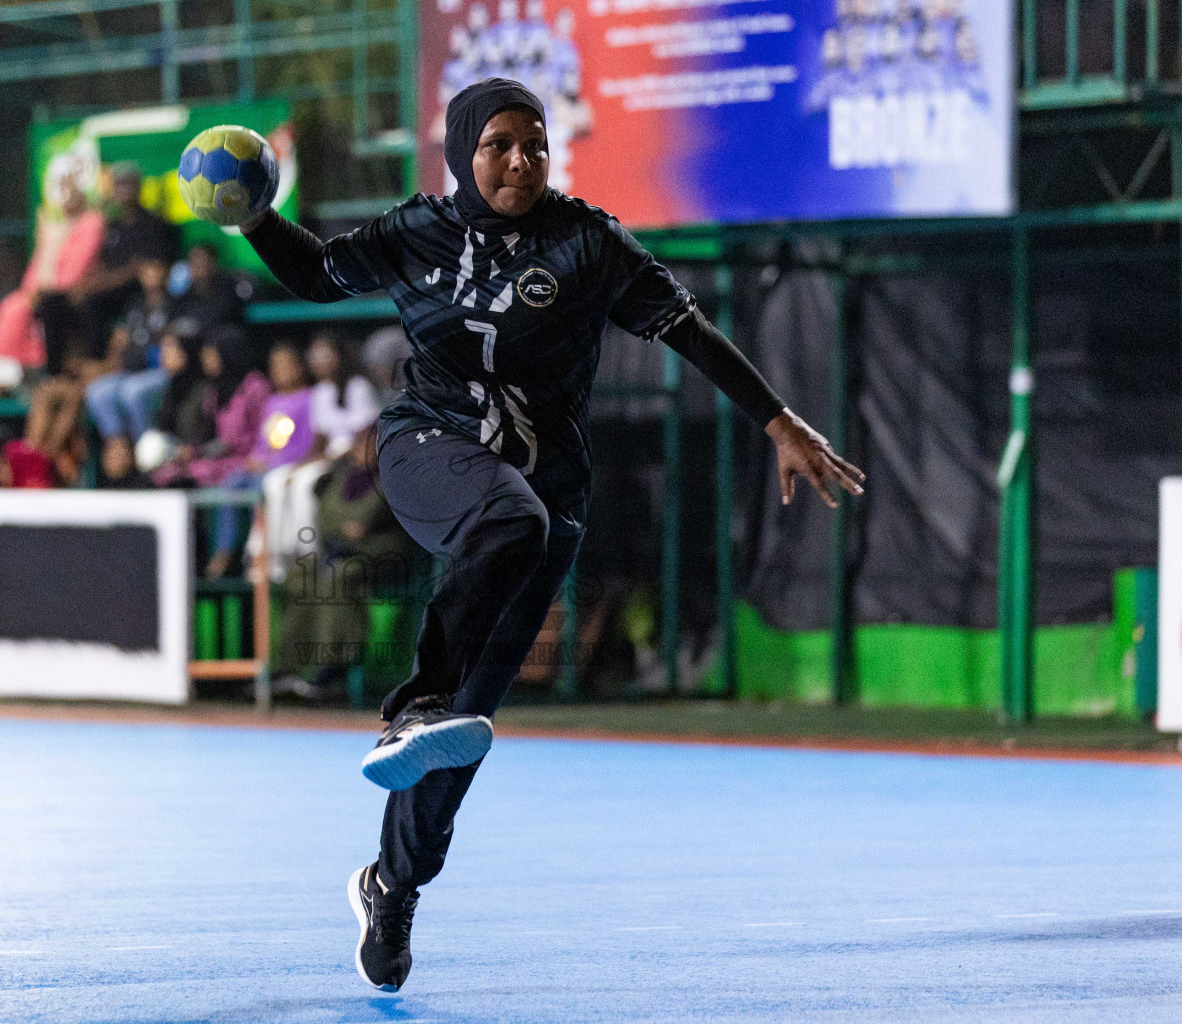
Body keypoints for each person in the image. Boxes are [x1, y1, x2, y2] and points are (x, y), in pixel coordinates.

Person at [239, 78, 864, 991]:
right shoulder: (415, 232)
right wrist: (255, 217)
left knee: (466, 731)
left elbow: (686, 328)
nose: (521, 161)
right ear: (462, 152)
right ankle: (413, 701)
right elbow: (315, 273)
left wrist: (779, 421)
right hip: (428, 447)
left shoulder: (588, 242)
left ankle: (393, 884)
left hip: (549, 493)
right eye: (498, 145)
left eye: (534, 143)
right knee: (503, 526)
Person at [271, 423, 410, 699]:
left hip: (379, 557)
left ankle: (332, 667)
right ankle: (289, 668)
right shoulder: (340, 476)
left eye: (369, 444)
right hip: (336, 548)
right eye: (360, 443)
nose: (362, 450)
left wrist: (354, 530)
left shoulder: (395, 477)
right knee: (301, 576)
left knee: (339, 576)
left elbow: (368, 520)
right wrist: (346, 528)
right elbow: (329, 518)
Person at [34, 164, 178, 372]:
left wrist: (95, 287)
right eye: (118, 184)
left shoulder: (153, 225)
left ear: (139, 186)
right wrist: (84, 286)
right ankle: (55, 371)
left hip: (133, 293)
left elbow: (140, 270)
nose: (123, 189)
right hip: (103, 287)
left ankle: (95, 363)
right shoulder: (112, 226)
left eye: (128, 183)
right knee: (52, 302)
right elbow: (100, 265)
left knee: (92, 301)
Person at [258, 332, 381, 575]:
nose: (318, 361)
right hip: (329, 458)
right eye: (314, 355)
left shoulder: (358, 387)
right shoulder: (321, 392)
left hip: (352, 460)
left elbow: (367, 436)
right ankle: (280, 554)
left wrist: (332, 457)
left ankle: (308, 551)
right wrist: (301, 464)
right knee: (277, 481)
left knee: (306, 485)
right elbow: (319, 442)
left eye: (324, 354)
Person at [202, 341, 313, 579]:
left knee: (260, 488)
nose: (280, 371)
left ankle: (262, 547)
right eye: (275, 366)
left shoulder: (308, 399)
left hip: (285, 467)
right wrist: (256, 458)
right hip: (263, 465)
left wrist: (273, 461)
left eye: (286, 365)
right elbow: (264, 443)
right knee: (230, 484)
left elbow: (305, 444)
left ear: (300, 367)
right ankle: (226, 549)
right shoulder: (272, 402)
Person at [0, 177, 105, 389]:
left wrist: (52, 246)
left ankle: (48, 372)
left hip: (71, 298)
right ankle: (4, 379)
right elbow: (33, 277)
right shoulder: (55, 226)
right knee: (12, 307)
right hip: (43, 293)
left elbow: (71, 276)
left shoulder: (91, 223)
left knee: (48, 304)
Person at [84, 257, 177, 483]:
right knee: (97, 391)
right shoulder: (135, 305)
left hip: (160, 374)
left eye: (156, 267)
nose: (151, 274)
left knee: (132, 391)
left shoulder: (175, 304)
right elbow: (121, 342)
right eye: (147, 268)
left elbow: (174, 350)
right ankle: (118, 451)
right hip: (130, 372)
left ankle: (143, 452)